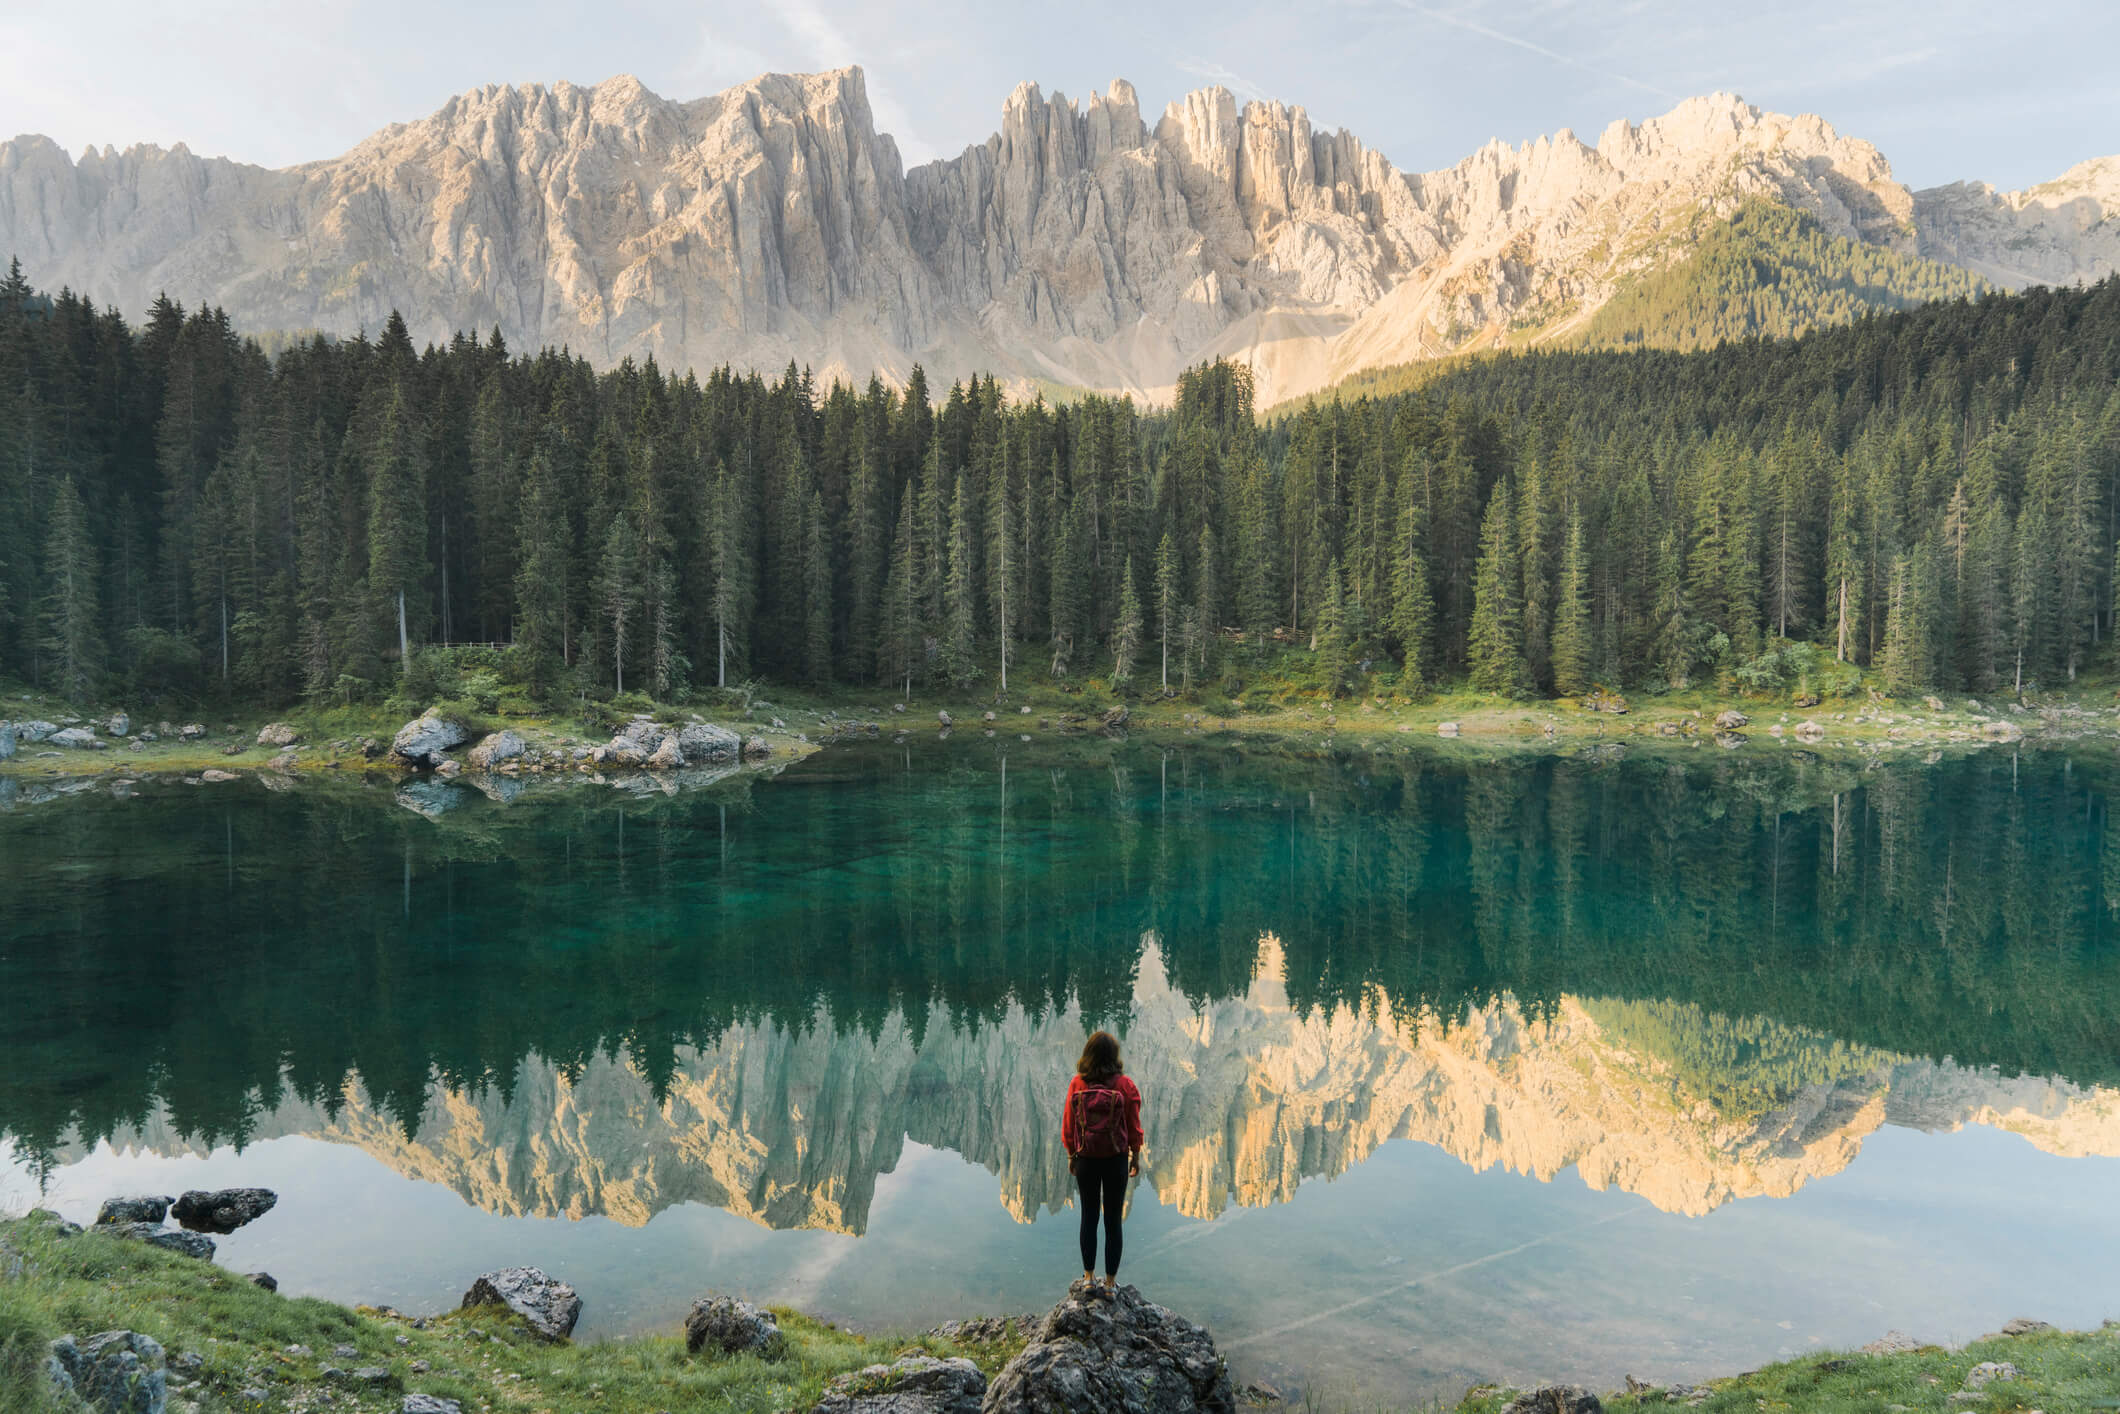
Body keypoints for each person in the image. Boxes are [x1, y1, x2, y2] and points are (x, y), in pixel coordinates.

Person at [1062, 1029, 1144, 1290]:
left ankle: (1088, 1279)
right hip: (1115, 1159)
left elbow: (1068, 1124)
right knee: (1112, 1221)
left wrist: (1071, 1154)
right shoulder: (1125, 1084)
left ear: (1088, 1054)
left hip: (1086, 1157)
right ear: (1114, 1056)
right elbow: (1134, 1125)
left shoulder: (1077, 1083)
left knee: (1088, 1216)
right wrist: (1135, 1156)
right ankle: (1110, 1285)